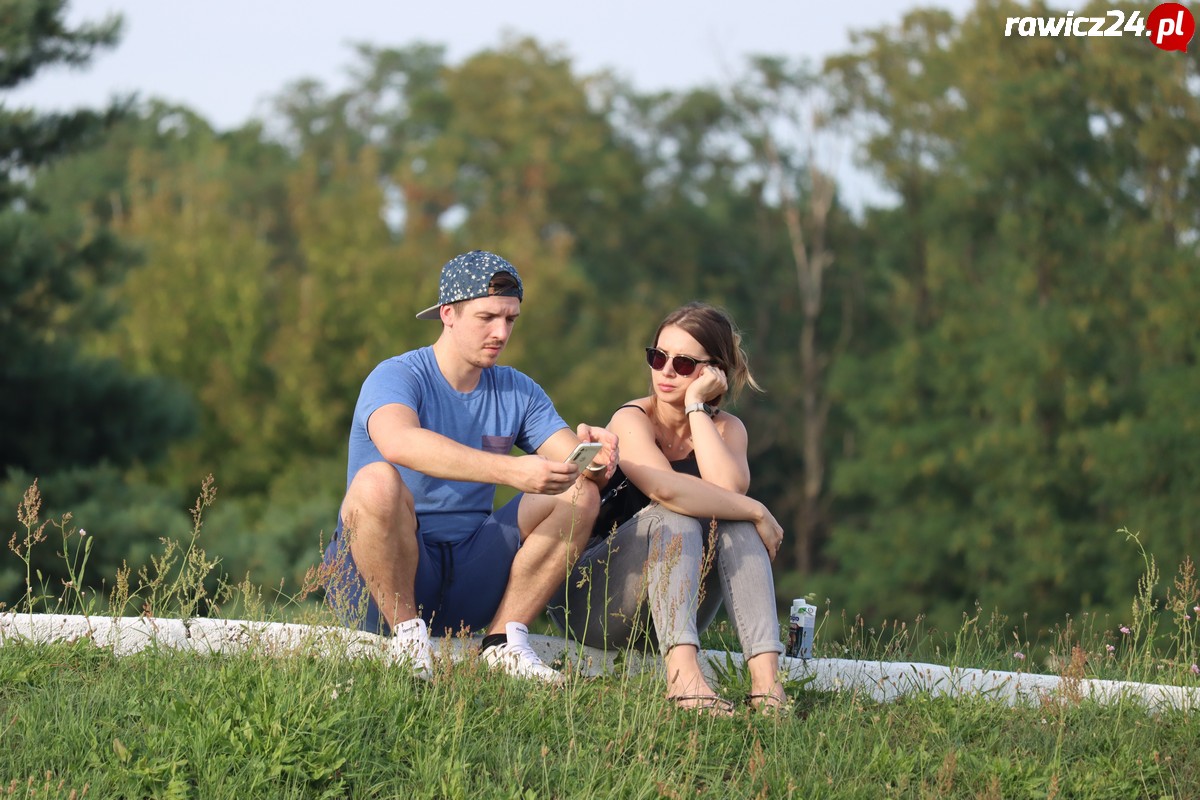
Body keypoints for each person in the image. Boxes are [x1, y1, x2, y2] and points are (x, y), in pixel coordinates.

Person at [322, 250, 618, 684]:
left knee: (579, 495)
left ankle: (503, 644)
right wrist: (512, 471)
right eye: (487, 317)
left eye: (511, 319)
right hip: (378, 584)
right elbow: (400, 442)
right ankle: (408, 643)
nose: (501, 332)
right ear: (449, 315)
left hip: (469, 576)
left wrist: (595, 454)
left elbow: (569, 461)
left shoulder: (519, 389)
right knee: (375, 482)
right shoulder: (396, 375)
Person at [547, 302, 787, 713]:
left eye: (684, 363)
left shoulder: (729, 430)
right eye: (658, 358)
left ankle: (767, 687)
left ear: (714, 373)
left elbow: (728, 489)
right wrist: (758, 511)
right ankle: (682, 680)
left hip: (675, 611)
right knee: (678, 514)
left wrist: (697, 409)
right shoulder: (632, 417)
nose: (666, 372)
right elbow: (667, 490)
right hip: (596, 603)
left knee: (736, 521)